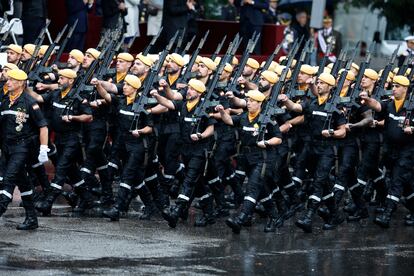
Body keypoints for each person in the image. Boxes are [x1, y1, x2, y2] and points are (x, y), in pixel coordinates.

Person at [359, 75, 414, 228]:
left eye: (397, 86)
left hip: (407, 151)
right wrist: (368, 100)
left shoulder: (411, 106)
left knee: (397, 180)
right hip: (391, 150)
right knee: (406, 183)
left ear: (405, 88)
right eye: (393, 86)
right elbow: (378, 106)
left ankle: (387, 214)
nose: (394, 89)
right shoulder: (390, 104)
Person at [0, 69, 49, 230]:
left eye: (12, 80)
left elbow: (43, 126)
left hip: (21, 148)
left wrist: (43, 148)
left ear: (21, 83)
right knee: (23, 183)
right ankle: (32, 219)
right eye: (8, 79)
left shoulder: (29, 102)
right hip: (6, 147)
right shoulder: (5, 100)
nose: (8, 82)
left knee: (8, 180)